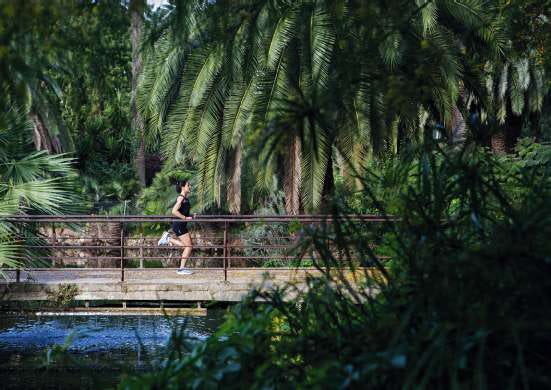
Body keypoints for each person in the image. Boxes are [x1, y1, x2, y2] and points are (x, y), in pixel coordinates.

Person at [158, 179, 194, 275]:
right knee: (189, 246)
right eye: (188, 185)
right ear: (183, 187)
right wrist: (185, 218)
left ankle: (168, 239)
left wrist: (191, 216)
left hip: (181, 225)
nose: (190, 186)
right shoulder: (181, 198)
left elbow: (183, 211)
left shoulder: (185, 198)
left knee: (187, 246)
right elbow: (174, 211)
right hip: (179, 225)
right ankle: (181, 269)